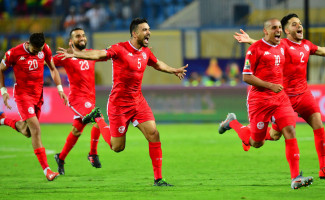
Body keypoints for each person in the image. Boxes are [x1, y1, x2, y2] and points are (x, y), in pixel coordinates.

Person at [57, 18, 188, 186]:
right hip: (119, 105)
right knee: (117, 147)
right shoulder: (119, 49)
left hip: (138, 102)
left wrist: (173, 70)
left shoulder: (145, 52)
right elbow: (98, 54)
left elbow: (157, 64)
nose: (149, 32)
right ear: (135, 33)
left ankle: (158, 179)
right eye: (145, 30)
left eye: (149, 29)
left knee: (154, 134)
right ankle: (98, 119)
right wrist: (76, 54)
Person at [234, 13, 325, 179]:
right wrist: (250, 40)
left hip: (303, 94)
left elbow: (322, 51)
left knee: (318, 123)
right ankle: (247, 133)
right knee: (274, 136)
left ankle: (323, 168)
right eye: (294, 24)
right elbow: (266, 46)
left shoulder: (306, 45)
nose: (299, 26)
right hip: (284, 96)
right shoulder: (283, 44)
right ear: (287, 30)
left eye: (300, 23)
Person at [218, 18, 313, 189]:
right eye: (274, 28)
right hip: (259, 101)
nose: (278, 30)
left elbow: (301, 49)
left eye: (279, 28)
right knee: (256, 143)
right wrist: (270, 85)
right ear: (266, 31)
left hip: (280, 98)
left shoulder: (283, 46)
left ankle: (296, 177)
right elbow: (246, 77)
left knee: (289, 131)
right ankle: (232, 122)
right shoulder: (254, 50)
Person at [0, 33, 68, 181]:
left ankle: (3, 121)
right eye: (35, 49)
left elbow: (53, 68)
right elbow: (0, 69)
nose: (38, 52)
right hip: (23, 96)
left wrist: (60, 89)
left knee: (27, 131)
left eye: (40, 49)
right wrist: (4, 91)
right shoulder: (14, 53)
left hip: (38, 95)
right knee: (36, 129)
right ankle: (47, 171)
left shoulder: (45, 49)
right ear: (28, 43)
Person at [52, 27, 111, 175]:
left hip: (90, 99)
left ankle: (60, 157)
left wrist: (114, 50)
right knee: (99, 118)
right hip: (78, 99)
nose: (82, 38)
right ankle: (93, 153)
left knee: (76, 131)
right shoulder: (66, 55)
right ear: (71, 41)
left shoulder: (90, 54)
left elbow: (107, 54)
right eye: (78, 36)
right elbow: (48, 62)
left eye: (83, 35)